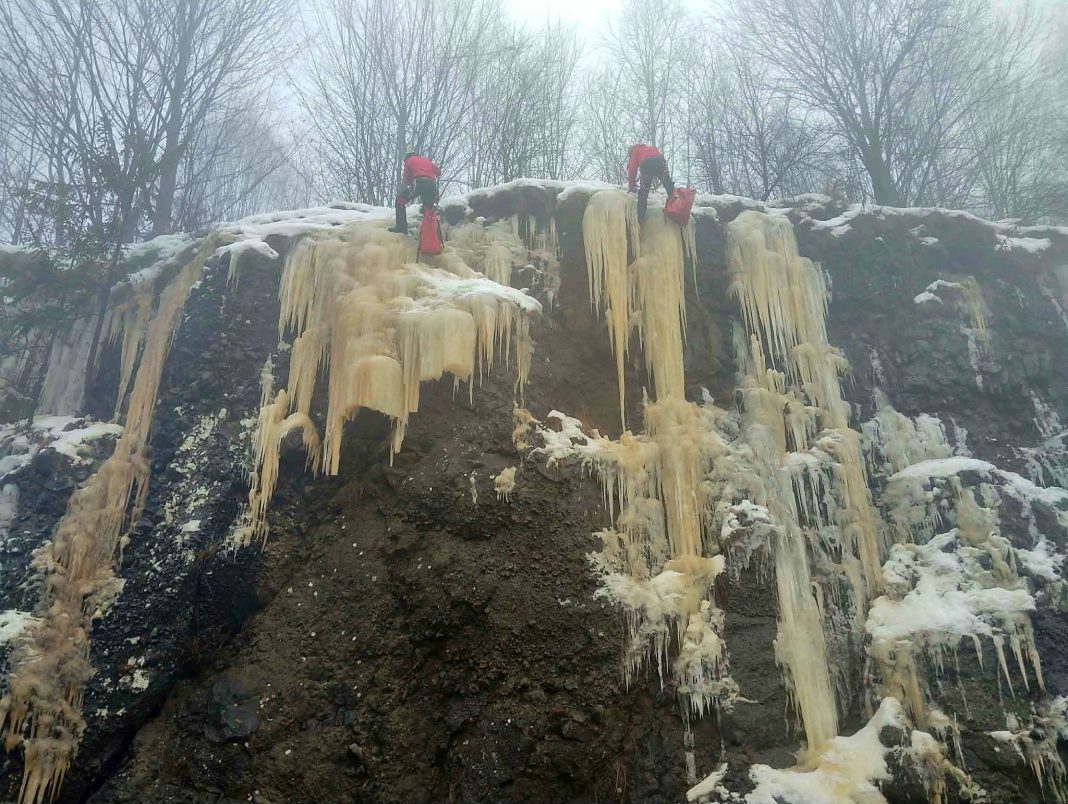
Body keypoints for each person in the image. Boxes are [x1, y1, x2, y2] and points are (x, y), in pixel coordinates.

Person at [390, 150, 441, 235]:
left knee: (400, 200)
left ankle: (401, 227)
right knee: (428, 209)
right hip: (432, 185)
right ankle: (429, 235)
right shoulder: (425, 160)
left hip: (420, 183)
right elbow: (438, 172)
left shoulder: (408, 160)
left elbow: (407, 177)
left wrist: (410, 184)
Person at [627, 143, 675, 223]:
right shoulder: (651, 148)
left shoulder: (635, 151)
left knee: (644, 192)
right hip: (660, 162)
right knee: (669, 187)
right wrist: (666, 176)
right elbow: (663, 160)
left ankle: (641, 218)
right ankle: (677, 207)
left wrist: (631, 185)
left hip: (647, 164)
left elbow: (632, 169)